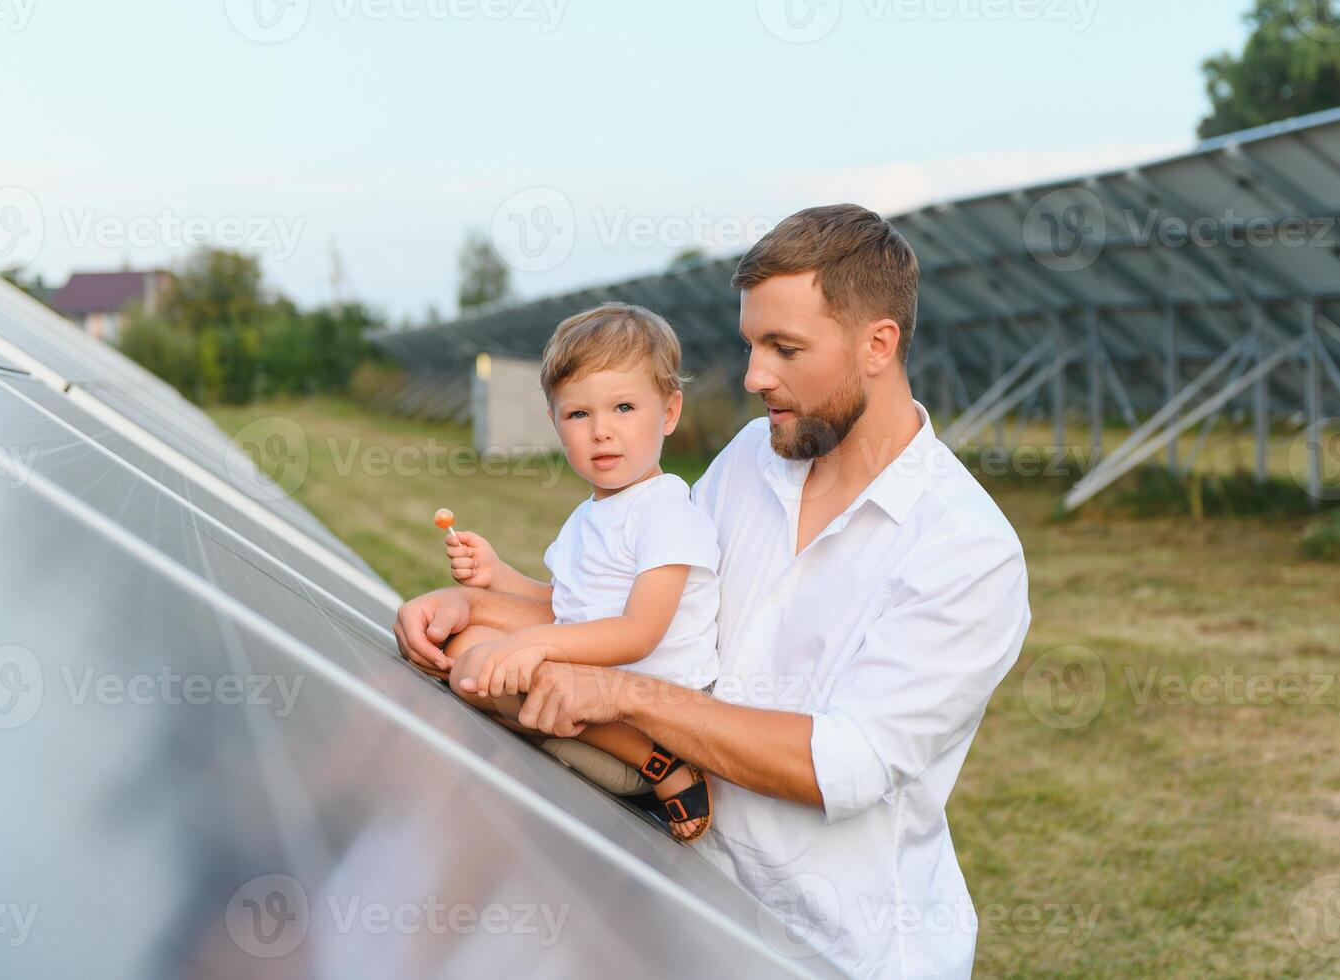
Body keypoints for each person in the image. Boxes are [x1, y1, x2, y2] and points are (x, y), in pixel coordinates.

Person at [395, 204, 1033, 977]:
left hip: (832, 949)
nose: (753, 376)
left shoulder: (965, 550)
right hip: (683, 894)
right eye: (750, 345)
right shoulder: (748, 458)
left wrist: (619, 696)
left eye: (784, 348)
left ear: (877, 345)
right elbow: (655, 615)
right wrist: (475, 607)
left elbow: (843, 766)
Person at [423, 302, 723, 841]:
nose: (601, 432)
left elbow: (638, 632)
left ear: (670, 412)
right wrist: (496, 574)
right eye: (578, 415)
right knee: (467, 648)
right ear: (555, 424)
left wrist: (535, 646)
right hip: (580, 696)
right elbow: (565, 602)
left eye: (624, 408)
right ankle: (541, 723)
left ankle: (667, 772)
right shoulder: (590, 516)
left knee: (478, 671)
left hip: (646, 720)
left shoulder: (667, 514)